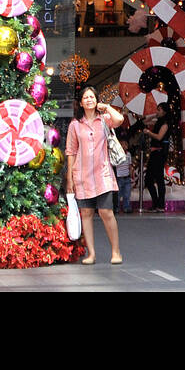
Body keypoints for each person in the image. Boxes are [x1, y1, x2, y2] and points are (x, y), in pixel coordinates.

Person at [65, 85, 124, 264]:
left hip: (103, 174)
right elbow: (71, 151)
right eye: (86, 98)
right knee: (86, 213)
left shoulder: (105, 119)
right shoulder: (75, 125)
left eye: (92, 97)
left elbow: (120, 119)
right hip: (81, 176)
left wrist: (106, 107)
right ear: (81, 103)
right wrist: (69, 177)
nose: (89, 100)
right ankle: (91, 254)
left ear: (96, 100)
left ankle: (116, 252)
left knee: (106, 212)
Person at [143, 109, 171, 212]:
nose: (157, 111)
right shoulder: (158, 122)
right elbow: (144, 122)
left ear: (164, 112)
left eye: (159, 110)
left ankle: (160, 205)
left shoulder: (165, 124)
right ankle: (156, 203)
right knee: (149, 180)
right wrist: (153, 115)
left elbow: (159, 137)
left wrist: (149, 133)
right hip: (154, 153)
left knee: (158, 179)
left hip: (159, 153)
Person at [113, 126, 133, 213]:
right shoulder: (117, 154)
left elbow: (130, 164)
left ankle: (126, 207)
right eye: (122, 144)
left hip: (127, 177)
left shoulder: (128, 154)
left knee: (127, 194)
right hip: (119, 177)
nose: (124, 146)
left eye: (125, 144)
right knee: (118, 194)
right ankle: (116, 207)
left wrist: (131, 171)